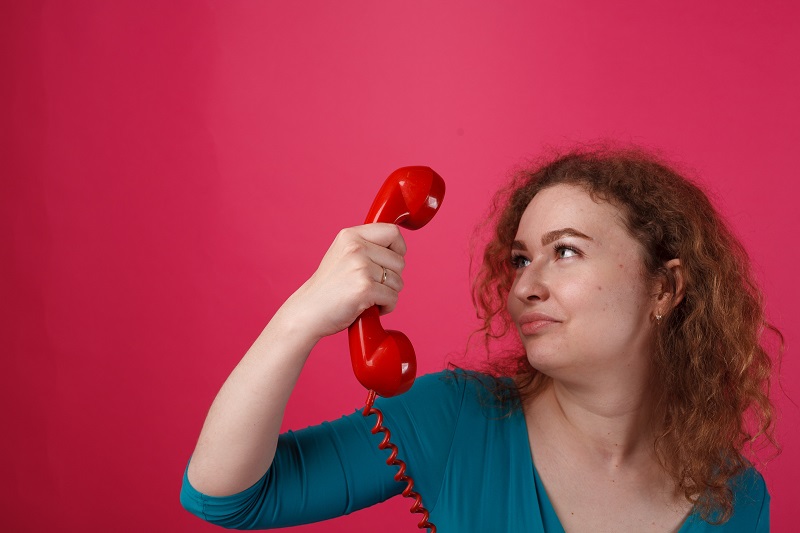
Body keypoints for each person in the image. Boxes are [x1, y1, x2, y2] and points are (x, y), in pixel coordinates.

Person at [180, 146, 778, 532]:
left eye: (565, 251)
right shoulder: (456, 417)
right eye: (520, 260)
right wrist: (301, 317)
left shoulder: (739, 500)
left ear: (664, 289)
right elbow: (228, 497)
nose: (525, 288)